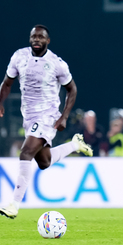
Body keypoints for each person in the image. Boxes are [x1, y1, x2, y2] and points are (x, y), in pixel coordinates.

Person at [0, 25, 93, 219]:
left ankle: (14, 204)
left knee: (25, 152)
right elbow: (7, 83)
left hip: (47, 115)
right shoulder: (19, 57)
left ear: (48, 41)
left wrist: (64, 116)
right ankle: (75, 144)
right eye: (33, 36)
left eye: (41, 37)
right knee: (44, 162)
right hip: (29, 116)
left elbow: (72, 89)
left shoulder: (57, 63)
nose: (36, 39)